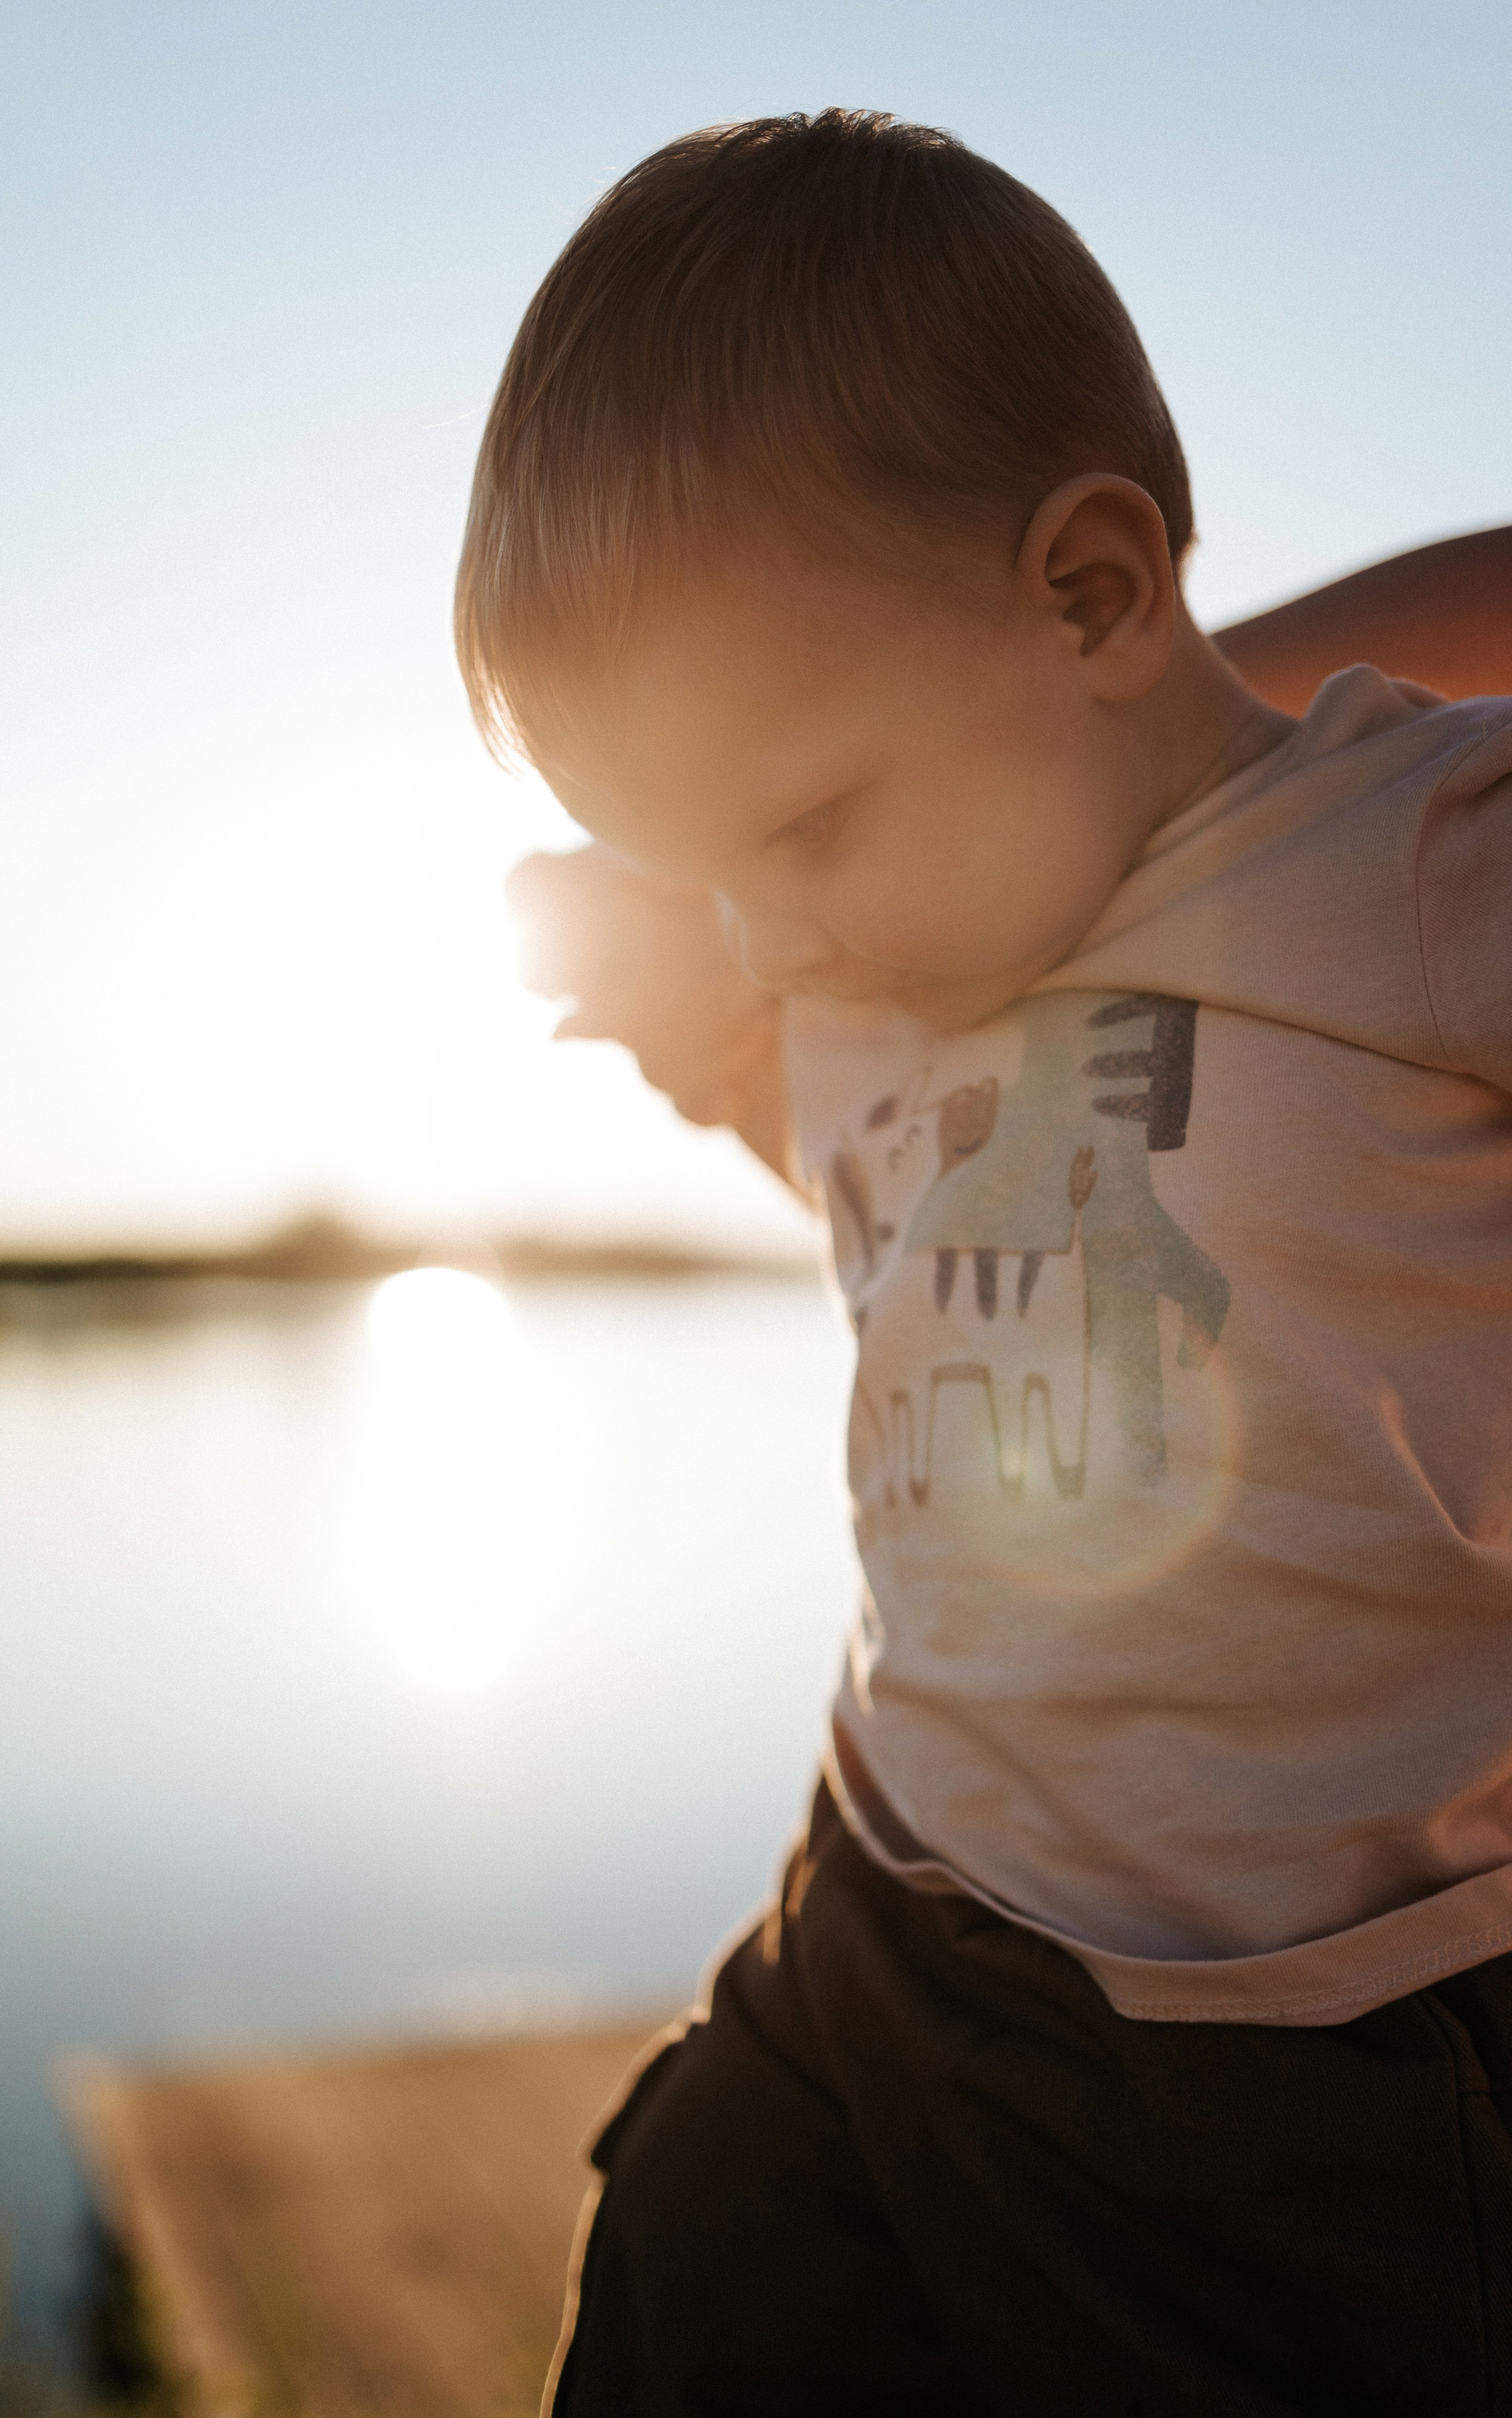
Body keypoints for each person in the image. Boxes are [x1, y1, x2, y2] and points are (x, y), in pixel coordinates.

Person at [455, 111, 1512, 2415]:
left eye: (803, 823)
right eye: (704, 861)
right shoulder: (857, 962)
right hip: (874, 1915)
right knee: (672, 2297)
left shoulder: (1405, 860)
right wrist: (717, 1033)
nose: (769, 931)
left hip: (1284, 2050)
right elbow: (936, 1238)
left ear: (1092, 592)